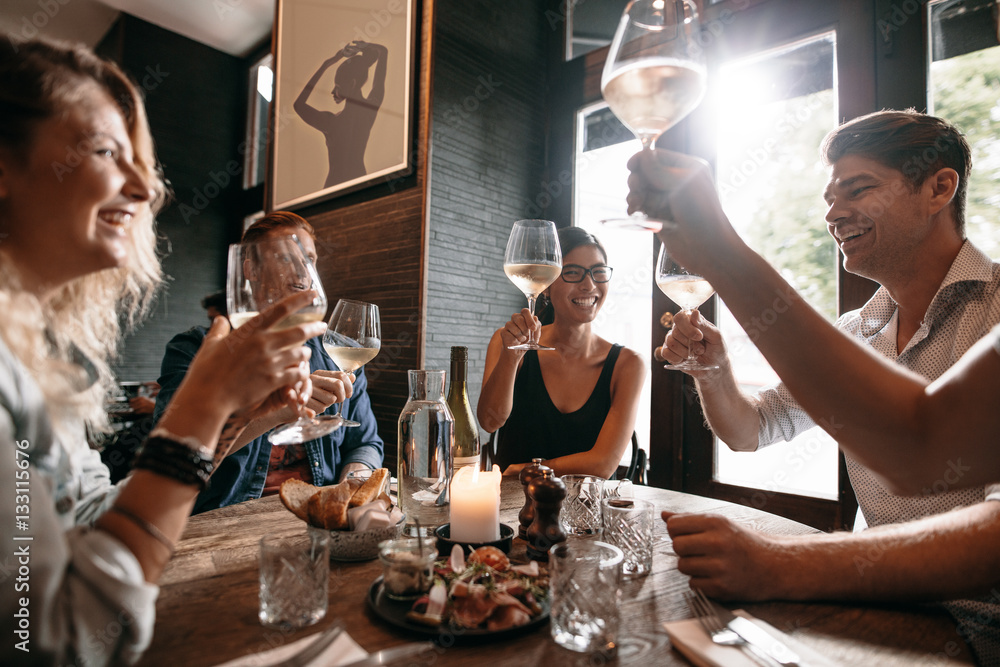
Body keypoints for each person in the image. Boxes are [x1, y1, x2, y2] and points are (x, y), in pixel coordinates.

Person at [627, 110, 1000, 662]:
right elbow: (753, 429)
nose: (833, 213)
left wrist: (776, 562)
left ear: (939, 187)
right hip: (877, 606)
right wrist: (713, 371)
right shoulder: (856, 329)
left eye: (858, 189)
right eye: (829, 197)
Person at [0, 39, 323, 665]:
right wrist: (203, 403)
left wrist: (234, 415)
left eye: (141, 162)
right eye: (105, 152)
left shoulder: (34, 356)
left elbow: (96, 516)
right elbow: (58, 643)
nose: (147, 187)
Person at [155, 211, 384, 513]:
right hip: (225, 520)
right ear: (251, 269)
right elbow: (165, 462)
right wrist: (273, 414)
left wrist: (354, 487)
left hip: (315, 517)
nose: (303, 270)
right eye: (286, 257)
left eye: (310, 259)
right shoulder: (195, 350)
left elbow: (365, 443)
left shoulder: (335, 351)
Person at [478, 226, 645, 479]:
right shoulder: (507, 341)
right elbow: (490, 422)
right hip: (511, 510)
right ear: (545, 285)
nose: (589, 285)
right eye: (573, 273)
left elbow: (603, 466)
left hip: (587, 513)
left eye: (598, 272)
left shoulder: (628, 364)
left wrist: (529, 469)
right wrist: (511, 357)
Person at [293, 40, 388, 188]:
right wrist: (368, 46)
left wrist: (328, 63)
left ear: (352, 84)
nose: (332, 92)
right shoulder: (370, 109)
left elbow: (298, 105)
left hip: (334, 187)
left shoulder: (331, 123)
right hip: (360, 184)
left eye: (337, 86)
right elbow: (383, 52)